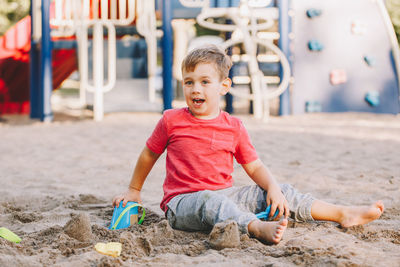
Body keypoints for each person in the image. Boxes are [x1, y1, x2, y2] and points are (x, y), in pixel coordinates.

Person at [112, 45, 384, 244]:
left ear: (224, 86)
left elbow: (254, 166)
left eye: (205, 82)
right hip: (182, 205)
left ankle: (342, 213)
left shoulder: (234, 126)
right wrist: (134, 189)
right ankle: (255, 227)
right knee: (211, 200)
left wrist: (273, 187)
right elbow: (150, 154)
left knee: (278, 192)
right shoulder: (171, 120)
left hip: (225, 196)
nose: (196, 89)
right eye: (189, 82)